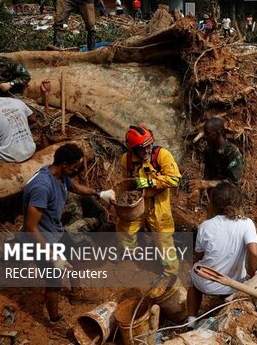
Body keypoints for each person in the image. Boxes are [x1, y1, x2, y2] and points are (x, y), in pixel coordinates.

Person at [22, 143, 115, 325]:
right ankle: (55, 320)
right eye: (76, 166)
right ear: (64, 164)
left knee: (74, 258)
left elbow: (75, 187)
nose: (78, 169)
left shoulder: (60, 176)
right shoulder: (42, 187)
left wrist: (99, 193)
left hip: (56, 233)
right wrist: (52, 255)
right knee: (53, 283)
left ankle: (76, 292)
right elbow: (30, 227)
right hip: (41, 241)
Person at [187, 183, 257, 328]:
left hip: (205, 283)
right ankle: (224, 304)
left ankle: (191, 321)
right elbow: (254, 252)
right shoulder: (246, 223)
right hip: (234, 284)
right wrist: (251, 274)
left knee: (193, 280)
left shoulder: (205, 226)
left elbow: (199, 255)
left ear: (213, 203)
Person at [118, 125, 181, 275]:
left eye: (149, 146)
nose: (146, 151)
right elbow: (127, 181)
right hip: (138, 202)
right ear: (132, 149)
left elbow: (174, 180)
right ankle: (131, 253)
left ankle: (170, 272)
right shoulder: (126, 160)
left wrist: (151, 183)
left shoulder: (162, 155)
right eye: (141, 148)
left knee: (163, 239)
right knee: (124, 228)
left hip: (158, 202)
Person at [189, 118, 244, 217]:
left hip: (230, 198)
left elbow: (234, 181)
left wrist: (207, 184)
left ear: (218, 133)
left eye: (209, 133)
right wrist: (198, 189)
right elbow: (208, 174)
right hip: (215, 198)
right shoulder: (210, 150)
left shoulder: (232, 152)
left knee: (233, 226)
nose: (206, 136)